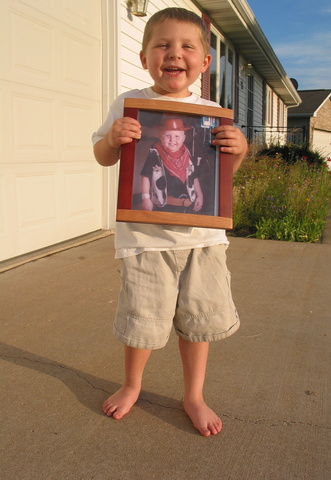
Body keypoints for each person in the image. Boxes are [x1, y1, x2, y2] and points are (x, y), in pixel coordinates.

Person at [92, 7, 248, 437]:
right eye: (162, 45)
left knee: (199, 321)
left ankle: (193, 395)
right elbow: (103, 157)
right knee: (142, 319)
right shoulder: (130, 105)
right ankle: (131, 385)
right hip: (146, 241)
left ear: (204, 61)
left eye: (186, 46)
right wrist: (112, 139)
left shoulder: (212, 113)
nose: (173, 54)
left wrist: (239, 149)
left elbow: (220, 177)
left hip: (203, 239)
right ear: (144, 57)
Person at [140, 117, 203, 213]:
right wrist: (145, 198)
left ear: (183, 138)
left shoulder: (188, 155)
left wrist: (200, 195)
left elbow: (194, 178)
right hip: (164, 206)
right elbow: (146, 177)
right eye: (168, 135)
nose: (172, 140)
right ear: (160, 136)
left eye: (177, 136)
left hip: (187, 206)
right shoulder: (154, 155)